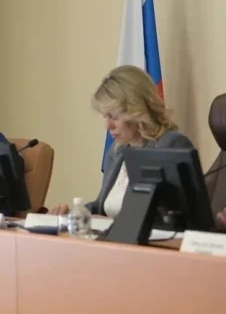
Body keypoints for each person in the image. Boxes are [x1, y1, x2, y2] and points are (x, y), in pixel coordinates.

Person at [49, 65, 194, 217]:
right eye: (105, 116)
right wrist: (72, 215)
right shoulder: (116, 151)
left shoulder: (171, 146)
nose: (108, 125)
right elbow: (101, 208)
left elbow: (173, 217)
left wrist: (112, 223)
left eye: (114, 116)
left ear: (138, 111)